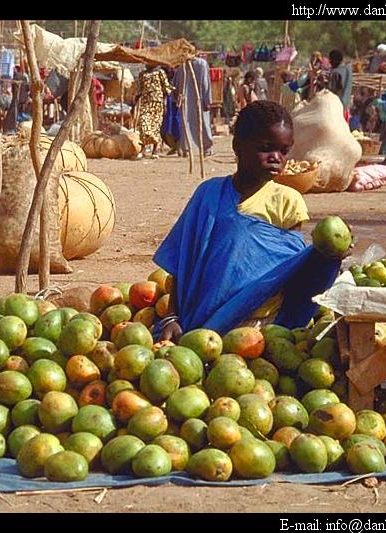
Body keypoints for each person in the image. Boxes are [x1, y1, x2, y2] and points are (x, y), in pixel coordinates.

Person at [154, 101, 344, 342]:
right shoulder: (209, 195)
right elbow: (184, 265)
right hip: (199, 323)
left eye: (284, 151)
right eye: (266, 148)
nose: (276, 158)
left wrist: (330, 256)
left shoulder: (289, 202)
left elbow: (292, 269)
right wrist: (172, 317)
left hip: (261, 326)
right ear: (238, 146)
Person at [173, 56, 214, 157]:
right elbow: (205, 83)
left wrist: (177, 97)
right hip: (199, 99)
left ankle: (186, 149)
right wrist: (207, 100)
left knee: (186, 123)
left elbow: (176, 84)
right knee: (203, 123)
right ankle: (206, 148)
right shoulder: (201, 64)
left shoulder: (181, 66)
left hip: (186, 100)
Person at [134, 64, 173, 158]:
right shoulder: (142, 74)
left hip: (157, 103)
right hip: (145, 102)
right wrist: (135, 102)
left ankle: (154, 151)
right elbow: (140, 89)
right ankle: (143, 148)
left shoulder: (160, 72)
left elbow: (166, 88)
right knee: (143, 124)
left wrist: (165, 103)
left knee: (155, 126)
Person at [327, 49, 353, 124]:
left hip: (336, 108)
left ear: (335, 60)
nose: (330, 62)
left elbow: (330, 90)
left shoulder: (336, 73)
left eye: (331, 60)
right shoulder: (348, 70)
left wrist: (321, 83)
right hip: (346, 106)